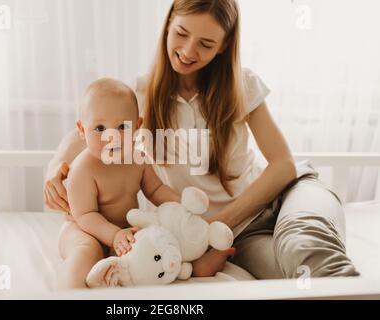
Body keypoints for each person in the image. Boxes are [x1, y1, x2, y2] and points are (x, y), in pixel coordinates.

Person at [45, 0, 359, 280]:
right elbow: (84, 133)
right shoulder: (141, 92)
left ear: (224, 46)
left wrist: (217, 223)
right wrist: (55, 167)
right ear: (168, 24)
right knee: (295, 273)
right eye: (181, 34)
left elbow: (283, 167)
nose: (188, 51)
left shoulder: (242, 85)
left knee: (302, 245)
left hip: (288, 195)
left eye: (206, 43)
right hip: (237, 237)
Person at [56, 78, 234, 289]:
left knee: (163, 242)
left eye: (122, 127)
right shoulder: (83, 169)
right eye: (100, 128)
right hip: (85, 231)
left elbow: (157, 190)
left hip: (125, 234)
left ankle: (196, 263)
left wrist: (183, 206)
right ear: (82, 130)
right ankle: (70, 290)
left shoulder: (137, 160)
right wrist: (113, 235)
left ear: (138, 127)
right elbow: (85, 216)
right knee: (87, 250)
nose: (111, 137)